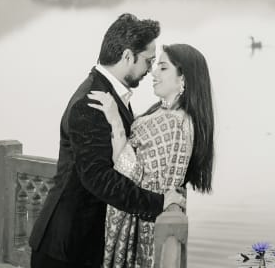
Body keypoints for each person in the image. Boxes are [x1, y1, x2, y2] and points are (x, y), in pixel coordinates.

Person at [29, 13, 186, 268]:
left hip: (82, 244)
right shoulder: (92, 102)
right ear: (127, 56)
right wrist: (158, 202)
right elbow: (98, 178)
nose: (150, 69)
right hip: (67, 248)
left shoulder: (111, 94)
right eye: (148, 60)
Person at [86, 43, 215, 268]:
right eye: (155, 66)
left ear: (182, 79)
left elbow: (135, 173)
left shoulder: (174, 122)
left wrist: (115, 121)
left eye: (163, 68)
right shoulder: (166, 113)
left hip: (142, 221)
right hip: (146, 214)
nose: (153, 73)